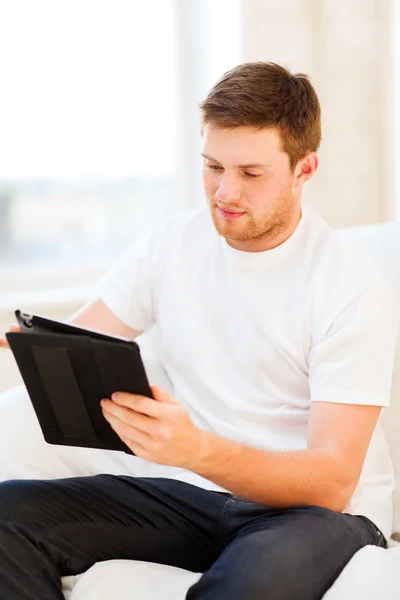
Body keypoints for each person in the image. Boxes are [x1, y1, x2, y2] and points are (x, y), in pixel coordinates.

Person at [0, 61, 399, 600]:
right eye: (213, 166)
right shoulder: (173, 243)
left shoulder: (350, 287)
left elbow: (330, 481)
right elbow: (74, 338)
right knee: (9, 514)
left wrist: (195, 449)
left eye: (251, 173)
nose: (224, 192)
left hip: (315, 513)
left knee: (254, 583)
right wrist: (26, 342)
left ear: (305, 169)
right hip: (197, 496)